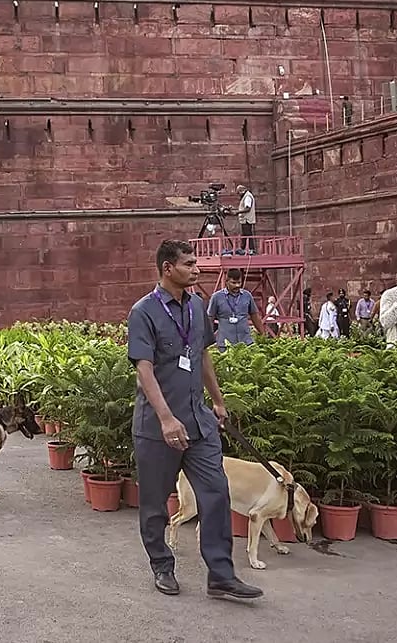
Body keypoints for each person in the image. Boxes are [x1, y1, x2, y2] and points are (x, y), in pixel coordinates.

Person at [126, 239, 262, 600]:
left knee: (216, 493)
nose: (196, 269)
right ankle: (162, 566)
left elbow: (201, 355)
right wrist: (167, 419)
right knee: (155, 504)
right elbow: (144, 369)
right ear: (167, 268)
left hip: (199, 422)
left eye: (195, 262)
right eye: (188, 263)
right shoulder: (144, 312)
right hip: (159, 428)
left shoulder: (198, 306)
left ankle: (221, 575)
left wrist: (217, 402)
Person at [206, 268, 270, 349]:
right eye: (233, 283)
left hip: (246, 342)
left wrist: (263, 334)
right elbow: (210, 318)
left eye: (239, 282)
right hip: (225, 344)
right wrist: (208, 338)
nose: (237, 285)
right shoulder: (216, 297)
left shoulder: (247, 296)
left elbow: (255, 316)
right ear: (227, 281)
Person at [235, 185, 256, 253]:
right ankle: (242, 248)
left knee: (248, 234)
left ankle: (251, 249)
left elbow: (247, 208)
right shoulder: (246, 196)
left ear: (242, 191)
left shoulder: (247, 197)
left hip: (247, 219)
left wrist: (237, 212)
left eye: (239, 193)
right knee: (244, 234)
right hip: (244, 219)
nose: (238, 195)